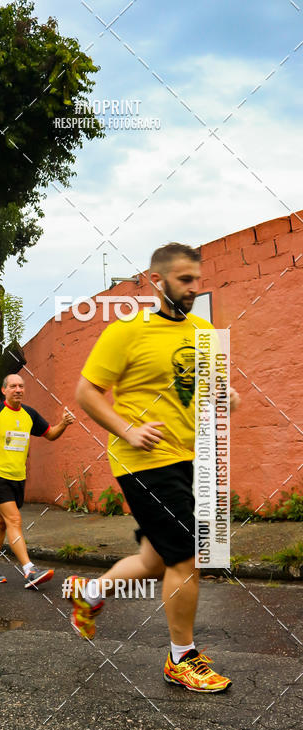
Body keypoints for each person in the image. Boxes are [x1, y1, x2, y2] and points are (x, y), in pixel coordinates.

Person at [70, 242, 241, 693]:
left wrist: (227, 397)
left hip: (188, 458)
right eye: (184, 280)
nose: (193, 288)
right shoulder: (127, 331)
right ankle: (180, 657)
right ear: (156, 280)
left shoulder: (203, 331)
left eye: (197, 280)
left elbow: (219, 389)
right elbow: (86, 392)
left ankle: (90, 594)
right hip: (143, 460)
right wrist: (127, 431)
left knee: (154, 560)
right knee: (186, 555)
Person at [0, 373, 75, 587]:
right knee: (14, 520)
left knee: (0, 523)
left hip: (18, 477)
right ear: (4, 390)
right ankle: (29, 570)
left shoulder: (29, 415)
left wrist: (64, 423)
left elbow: (50, 434)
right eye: (13, 386)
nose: (18, 390)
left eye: (21, 386)